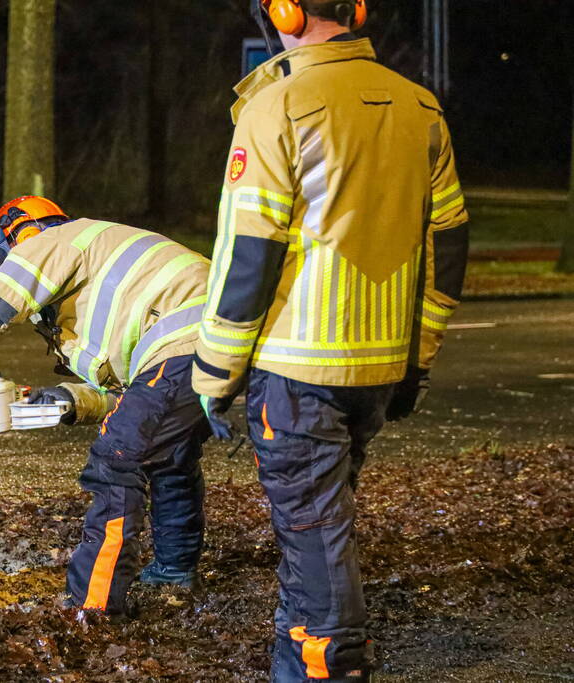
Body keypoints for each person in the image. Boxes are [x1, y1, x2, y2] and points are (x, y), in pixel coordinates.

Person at [193, 1, 469, 680]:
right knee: (320, 524)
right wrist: (416, 360)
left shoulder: (277, 106)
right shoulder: (421, 107)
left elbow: (248, 254)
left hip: (297, 365)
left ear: (285, 13)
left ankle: (326, 664)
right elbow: (447, 245)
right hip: (379, 365)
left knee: (314, 533)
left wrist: (214, 372)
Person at [0, 195, 217, 615]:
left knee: (115, 460)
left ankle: (92, 606)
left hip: (183, 342)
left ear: (13, 236)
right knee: (169, 456)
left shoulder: (55, 241)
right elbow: (135, 397)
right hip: (219, 343)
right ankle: (173, 571)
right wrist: (73, 400)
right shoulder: (99, 271)